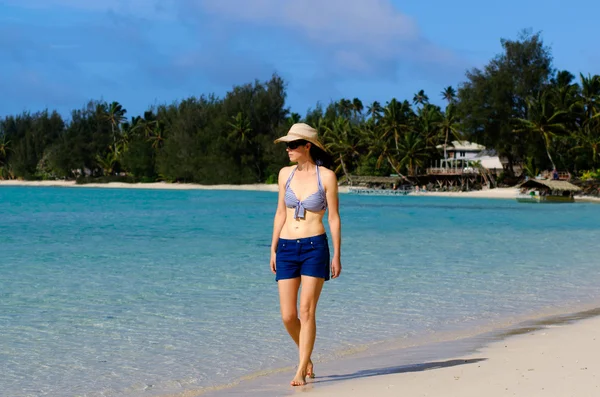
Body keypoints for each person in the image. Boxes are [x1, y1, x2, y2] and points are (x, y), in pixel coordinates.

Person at [270, 123, 342, 387]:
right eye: (287, 145)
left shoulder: (327, 177)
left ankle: (301, 368)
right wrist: (273, 247)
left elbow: (333, 217)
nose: (288, 149)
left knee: (306, 310)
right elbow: (280, 212)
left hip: (315, 247)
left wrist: (336, 254)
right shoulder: (284, 175)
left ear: (307, 146)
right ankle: (306, 355)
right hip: (287, 248)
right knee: (288, 315)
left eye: (292, 145)